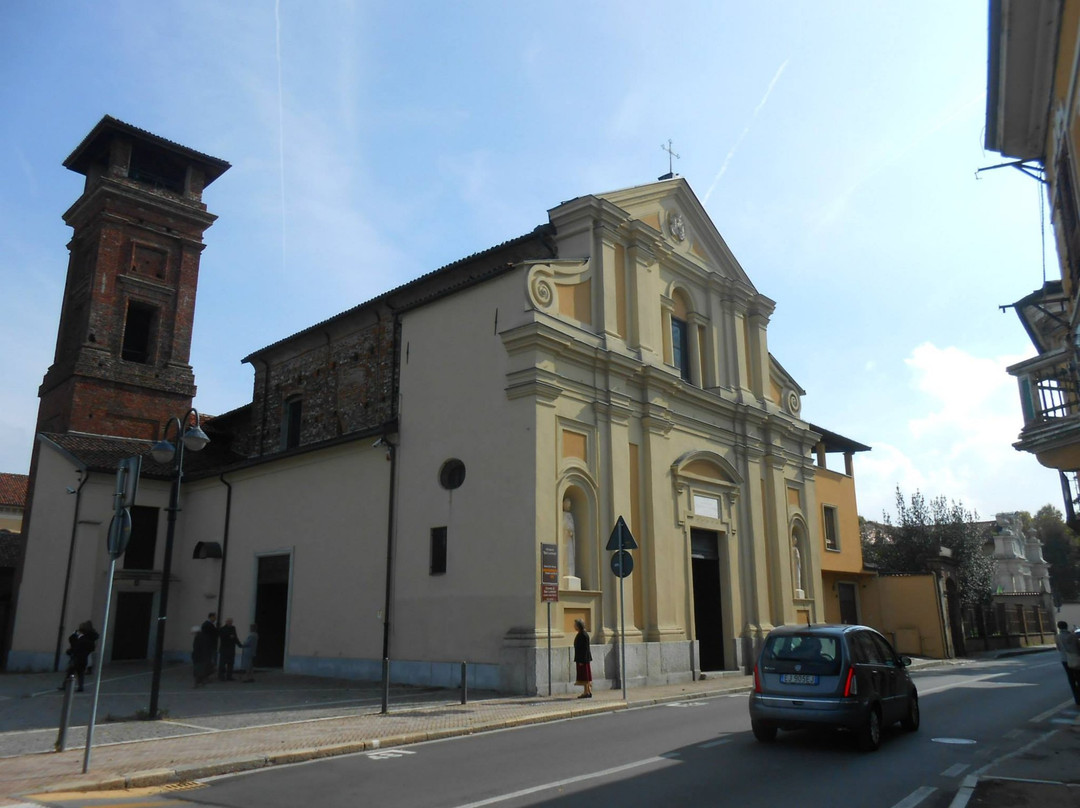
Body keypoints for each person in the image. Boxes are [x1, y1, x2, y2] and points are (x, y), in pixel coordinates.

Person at [59, 620, 98, 692]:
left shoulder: (81, 637)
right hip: (84, 657)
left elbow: (74, 643)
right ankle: (80, 687)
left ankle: (66, 686)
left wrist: (70, 651)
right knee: (80, 673)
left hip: (77, 657)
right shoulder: (90, 638)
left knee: (71, 671)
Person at [1055, 621, 1080, 705]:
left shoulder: (1057, 637)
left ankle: (1077, 699)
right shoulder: (1073, 636)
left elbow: (1058, 648)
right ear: (1066, 626)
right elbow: (1078, 647)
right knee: (1078, 678)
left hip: (1064, 660)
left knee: (1071, 679)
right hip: (1075, 659)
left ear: (1059, 627)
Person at [573, 618, 592, 699]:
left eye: (575, 625)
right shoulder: (581, 634)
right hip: (582, 659)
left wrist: (582, 660)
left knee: (585, 676)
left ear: (579, 626)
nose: (574, 626)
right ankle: (588, 691)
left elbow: (585, 649)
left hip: (583, 659)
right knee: (586, 676)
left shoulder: (583, 635)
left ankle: (586, 692)